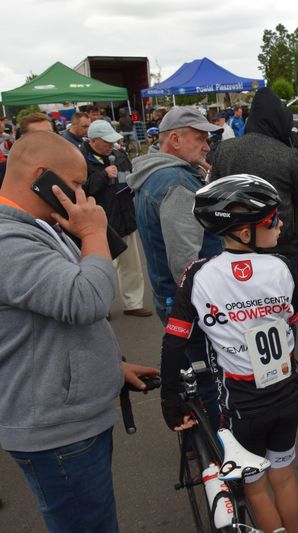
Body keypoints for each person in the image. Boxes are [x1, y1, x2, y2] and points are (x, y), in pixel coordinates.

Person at [0, 132, 158, 532]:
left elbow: (46, 326)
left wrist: (110, 368)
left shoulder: (36, 226)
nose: (82, 198)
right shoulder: (9, 240)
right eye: (73, 185)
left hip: (67, 417)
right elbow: (85, 300)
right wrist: (91, 234)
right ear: (41, 177)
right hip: (56, 431)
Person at [160, 175, 298, 533]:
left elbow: (175, 341)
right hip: (286, 393)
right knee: (283, 477)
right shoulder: (282, 267)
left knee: (255, 487)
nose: (280, 223)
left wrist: (169, 397)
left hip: (239, 401)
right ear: (244, 233)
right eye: (271, 219)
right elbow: (293, 318)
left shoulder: (199, 275)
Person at [210, 87, 298, 390]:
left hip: (235, 245)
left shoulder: (226, 150)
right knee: (281, 310)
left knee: (243, 309)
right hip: (280, 246)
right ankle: (285, 371)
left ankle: (244, 369)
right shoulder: (287, 154)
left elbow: (216, 192)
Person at [129, 106, 225, 426]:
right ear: (175, 139)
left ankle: (198, 438)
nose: (206, 145)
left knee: (193, 375)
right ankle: (223, 459)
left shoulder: (154, 174)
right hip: (190, 303)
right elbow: (187, 263)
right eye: (200, 138)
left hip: (170, 298)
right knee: (210, 381)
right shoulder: (176, 181)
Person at [82, 120, 152, 318]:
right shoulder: (81, 159)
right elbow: (82, 189)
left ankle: (134, 303)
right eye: (106, 142)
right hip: (101, 223)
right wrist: (103, 175)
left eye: (112, 141)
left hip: (125, 216)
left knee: (132, 266)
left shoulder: (119, 155)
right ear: (94, 140)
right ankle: (102, 308)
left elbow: (131, 178)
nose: (111, 145)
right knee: (104, 269)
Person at [0, 112, 55, 186]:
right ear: (23, 138)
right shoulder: (7, 170)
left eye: (50, 133)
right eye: (39, 134)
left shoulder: (62, 163)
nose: (48, 138)